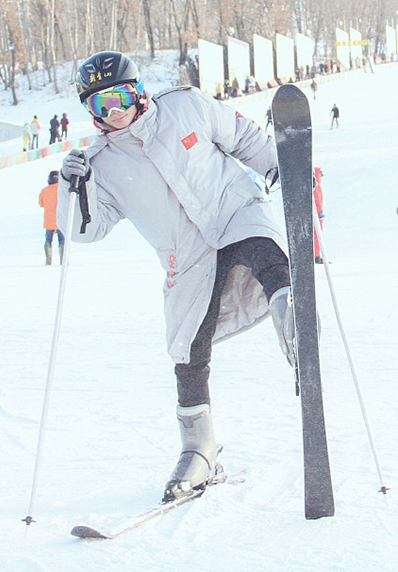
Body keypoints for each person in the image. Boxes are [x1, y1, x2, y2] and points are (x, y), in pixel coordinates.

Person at [58, 51, 292, 503]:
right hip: (185, 259)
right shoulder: (102, 165)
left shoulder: (186, 106)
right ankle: (198, 450)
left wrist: (276, 164)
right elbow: (86, 230)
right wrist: (74, 190)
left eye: (122, 95)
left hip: (234, 211)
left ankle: (291, 311)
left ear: (139, 90)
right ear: (90, 110)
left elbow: (241, 136)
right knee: (188, 350)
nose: (116, 110)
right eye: (102, 104)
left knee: (262, 249)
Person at [38, 170, 65, 265]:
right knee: (62, 240)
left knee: (48, 240)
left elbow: (41, 204)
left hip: (48, 220)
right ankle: (63, 259)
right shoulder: (62, 189)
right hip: (60, 220)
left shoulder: (44, 191)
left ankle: (48, 259)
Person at [313, 167, 325, 264]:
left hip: (316, 212)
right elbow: (317, 199)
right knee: (317, 234)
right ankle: (316, 255)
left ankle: (316, 254)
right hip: (317, 213)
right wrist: (319, 211)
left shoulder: (316, 184)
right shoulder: (316, 185)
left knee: (316, 234)